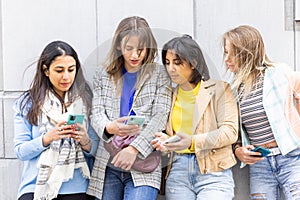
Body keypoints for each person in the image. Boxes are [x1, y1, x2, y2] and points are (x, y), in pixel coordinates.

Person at [87, 16, 172, 200]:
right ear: (119, 46)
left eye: (140, 49)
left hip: (143, 164)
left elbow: (160, 117)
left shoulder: (159, 74)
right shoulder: (103, 74)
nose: (135, 55)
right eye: (129, 49)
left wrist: (133, 149)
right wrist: (109, 128)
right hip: (108, 163)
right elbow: (97, 113)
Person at [151, 35, 238, 200]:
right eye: (167, 63)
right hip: (178, 172)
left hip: (214, 172)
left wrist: (191, 141)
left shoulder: (220, 90)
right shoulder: (168, 95)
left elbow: (230, 131)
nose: (171, 69)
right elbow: (171, 136)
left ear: (194, 63)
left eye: (177, 63)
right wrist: (165, 141)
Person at [14, 41, 99, 200]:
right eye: (59, 70)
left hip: (77, 186)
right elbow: (20, 151)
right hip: (37, 186)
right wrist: (47, 138)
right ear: (46, 70)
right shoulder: (27, 102)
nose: (66, 76)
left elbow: (97, 150)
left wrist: (85, 141)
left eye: (71, 70)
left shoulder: (86, 99)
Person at [223, 25, 300, 199]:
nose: (226, 59)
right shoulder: (234, 89)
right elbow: (233, 131)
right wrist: (238, 151)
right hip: (260, 163)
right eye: (225, 52)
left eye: (231, 53)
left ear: (246, 52)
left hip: (292, 159)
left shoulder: (279, 73)